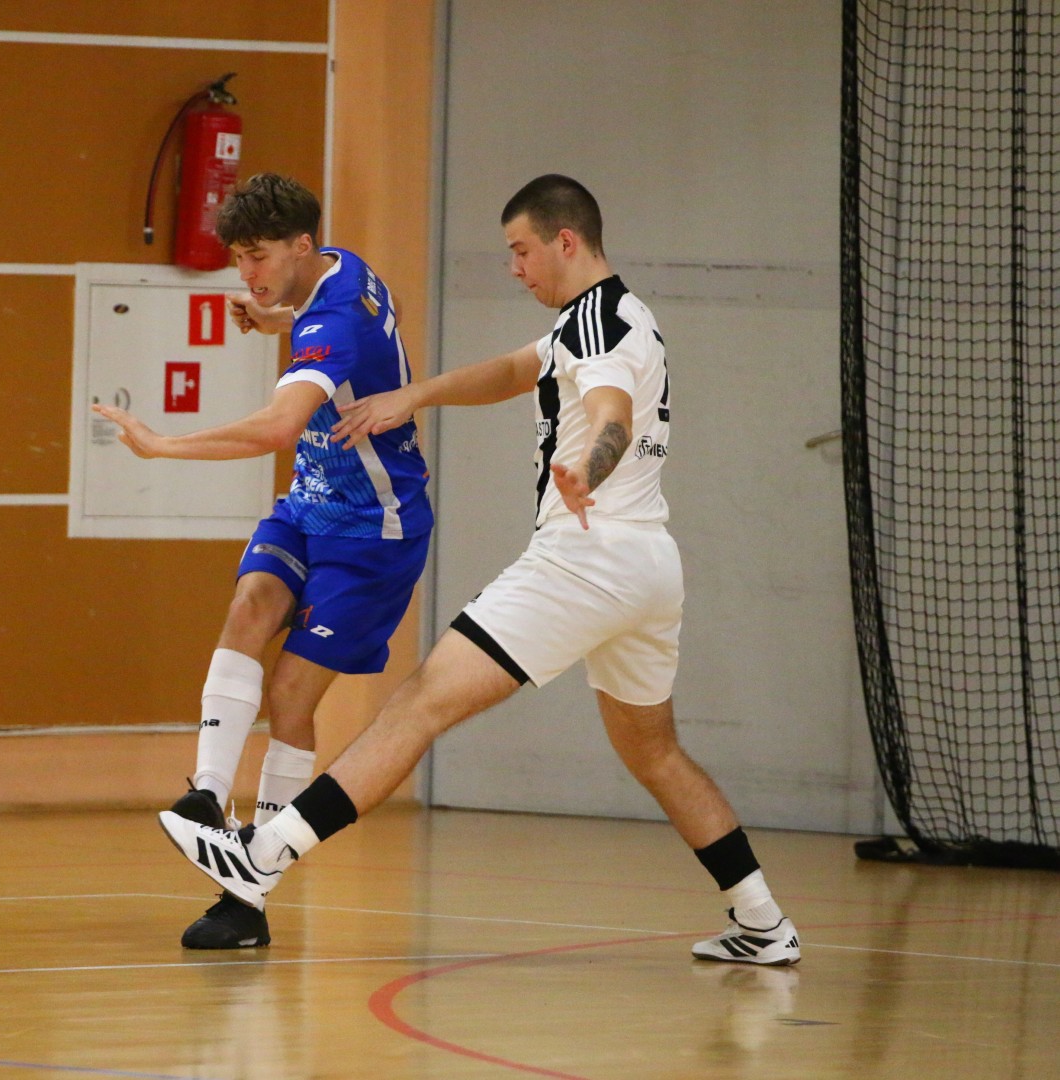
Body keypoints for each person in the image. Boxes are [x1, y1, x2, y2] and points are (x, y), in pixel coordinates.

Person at [159, 174, 801, 967]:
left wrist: (589, 469)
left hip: (584, 560)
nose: (514, 267)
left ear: (567, 241)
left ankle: (263, 854)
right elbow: (511, 371)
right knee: (655, 753)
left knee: (419, 704)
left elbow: (613, 411)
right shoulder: (615, 316)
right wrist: (415, 395)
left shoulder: (596, 328)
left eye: (521, 251)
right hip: (648, 566)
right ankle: (762, 920)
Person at [93, 173, 433, 950]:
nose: (245, 273)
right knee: (249, 604)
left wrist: (163, 445)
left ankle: (247, 894)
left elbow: (280, 428)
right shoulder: (343, 268)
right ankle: (207, 797)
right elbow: (361, 322)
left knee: (288, 696)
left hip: (374, 532)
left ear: (300, 245)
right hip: (310, 504)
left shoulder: (335, 322)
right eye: (239, 258)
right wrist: (277, 314)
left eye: (257, 257)